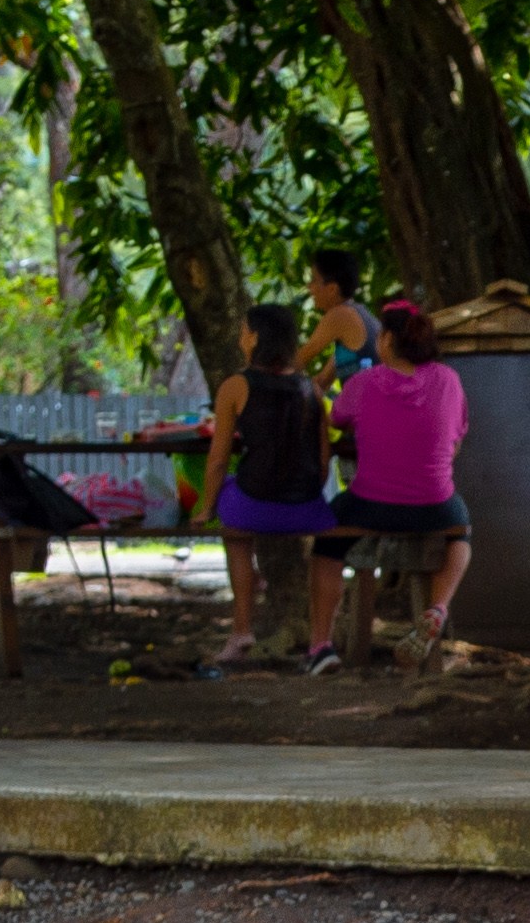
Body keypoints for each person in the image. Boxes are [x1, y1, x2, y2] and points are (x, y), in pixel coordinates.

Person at [331, 296, 473, 669]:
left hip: (371, 505)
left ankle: (320, 641)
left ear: (389, 341)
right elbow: (455, 440)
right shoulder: (448, 380)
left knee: (325, 532)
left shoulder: (364, 382)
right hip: (434, 507)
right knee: (462, 533)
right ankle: (437, 610)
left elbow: (337, 419)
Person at [203, 303, 343, 676]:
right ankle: (319, 641)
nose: (239, 337)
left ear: (254, 338)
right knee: (322, 551)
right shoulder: (311, 389)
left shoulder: (235, 386)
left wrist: (204, 508)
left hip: (254, 505)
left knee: (235, 535)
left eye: (243, 330)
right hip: (308, 507)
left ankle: (241, 630)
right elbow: (325, 457)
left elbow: (218, 460)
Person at [306, 248, 382, 380]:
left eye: (313, 280)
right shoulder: (356, 312)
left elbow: (298, 361)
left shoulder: (340, 315)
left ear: (332, 289)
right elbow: (322, 381)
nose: (309, 287)